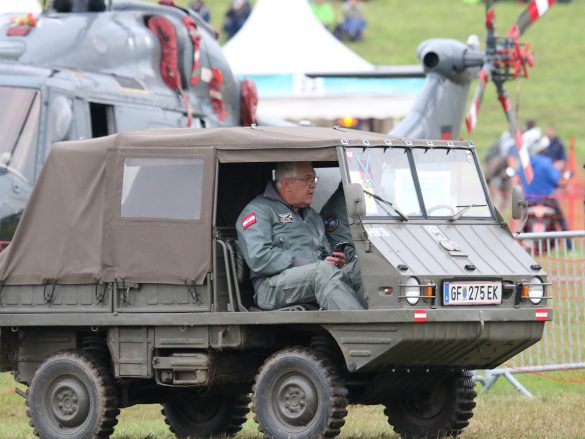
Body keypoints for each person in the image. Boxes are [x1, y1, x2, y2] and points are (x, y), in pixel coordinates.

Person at [236, 162, 366, 311]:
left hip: (315, 277)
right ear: (286, 184)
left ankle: (381, 321)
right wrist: (303, 263)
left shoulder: (312, 216)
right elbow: (258, 257)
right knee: (322, 272)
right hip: (271, 286)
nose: (313, 185)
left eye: (314, 179)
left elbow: (322, 256)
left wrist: (335, 261)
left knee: (360, 268)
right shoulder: (259, 211)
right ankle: (361, 329)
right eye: (307, 180)